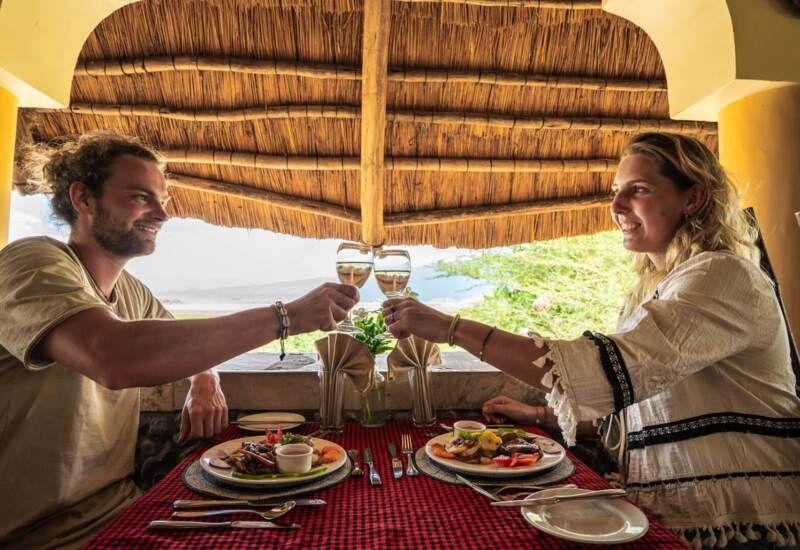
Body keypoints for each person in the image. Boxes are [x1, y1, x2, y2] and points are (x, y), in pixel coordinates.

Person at [383, 132, 800, 548]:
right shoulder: (657, 290)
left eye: (638, 191)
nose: (616, 206)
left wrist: (449, 328)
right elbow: (631, 405)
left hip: (743, 523)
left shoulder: (721, 276)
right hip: (673, 512)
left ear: (692, 199)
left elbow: (598, 371)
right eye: (617, 192)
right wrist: (541, 416)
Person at [0, 132, 358, 549]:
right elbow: (111, 354)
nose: (162, 214)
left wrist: (204, 378)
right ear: (83, 198)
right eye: (141, 197)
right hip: (37, 534)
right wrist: (285, 317)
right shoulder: (30, 261)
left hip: (122, 509)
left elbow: (177, 341)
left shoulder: (131, 292)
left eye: (162, 200)